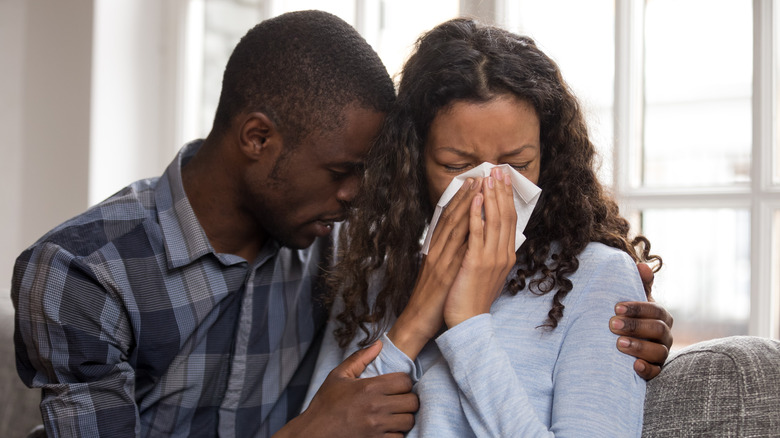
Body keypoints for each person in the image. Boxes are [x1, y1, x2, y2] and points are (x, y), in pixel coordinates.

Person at [12, 10, 669, 438]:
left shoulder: (335, 241)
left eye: (518, 163)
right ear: (257, 138)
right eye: (340, 172)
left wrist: (625, 312)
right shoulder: (83, 272)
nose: (356, 197)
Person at [303, 18, 662, 436]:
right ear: (413, 162)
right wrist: (413, 324)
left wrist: (469, 324)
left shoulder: (597, 277)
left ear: (549, 158)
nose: (489, 189)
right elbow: (323, 426)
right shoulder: (375, 276)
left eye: (518, 164)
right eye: (456, 165)